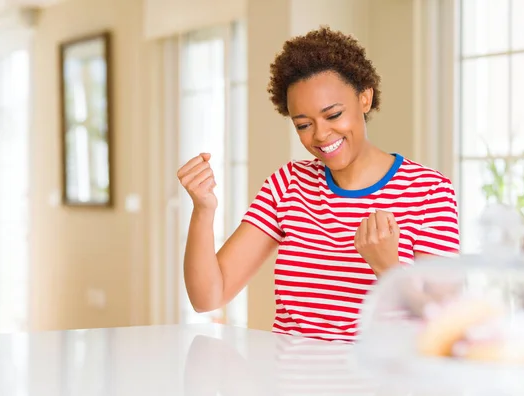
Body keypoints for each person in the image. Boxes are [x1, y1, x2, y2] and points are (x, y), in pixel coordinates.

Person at [177, 26, 460, 342]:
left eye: (333, 114)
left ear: (364, 98)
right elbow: (207, 298)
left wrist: (389, 270)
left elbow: (443, 327)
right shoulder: (288, 185)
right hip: (290, 383)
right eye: (303, 124)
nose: (321, 134)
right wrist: (203, 210)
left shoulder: (429, 192)